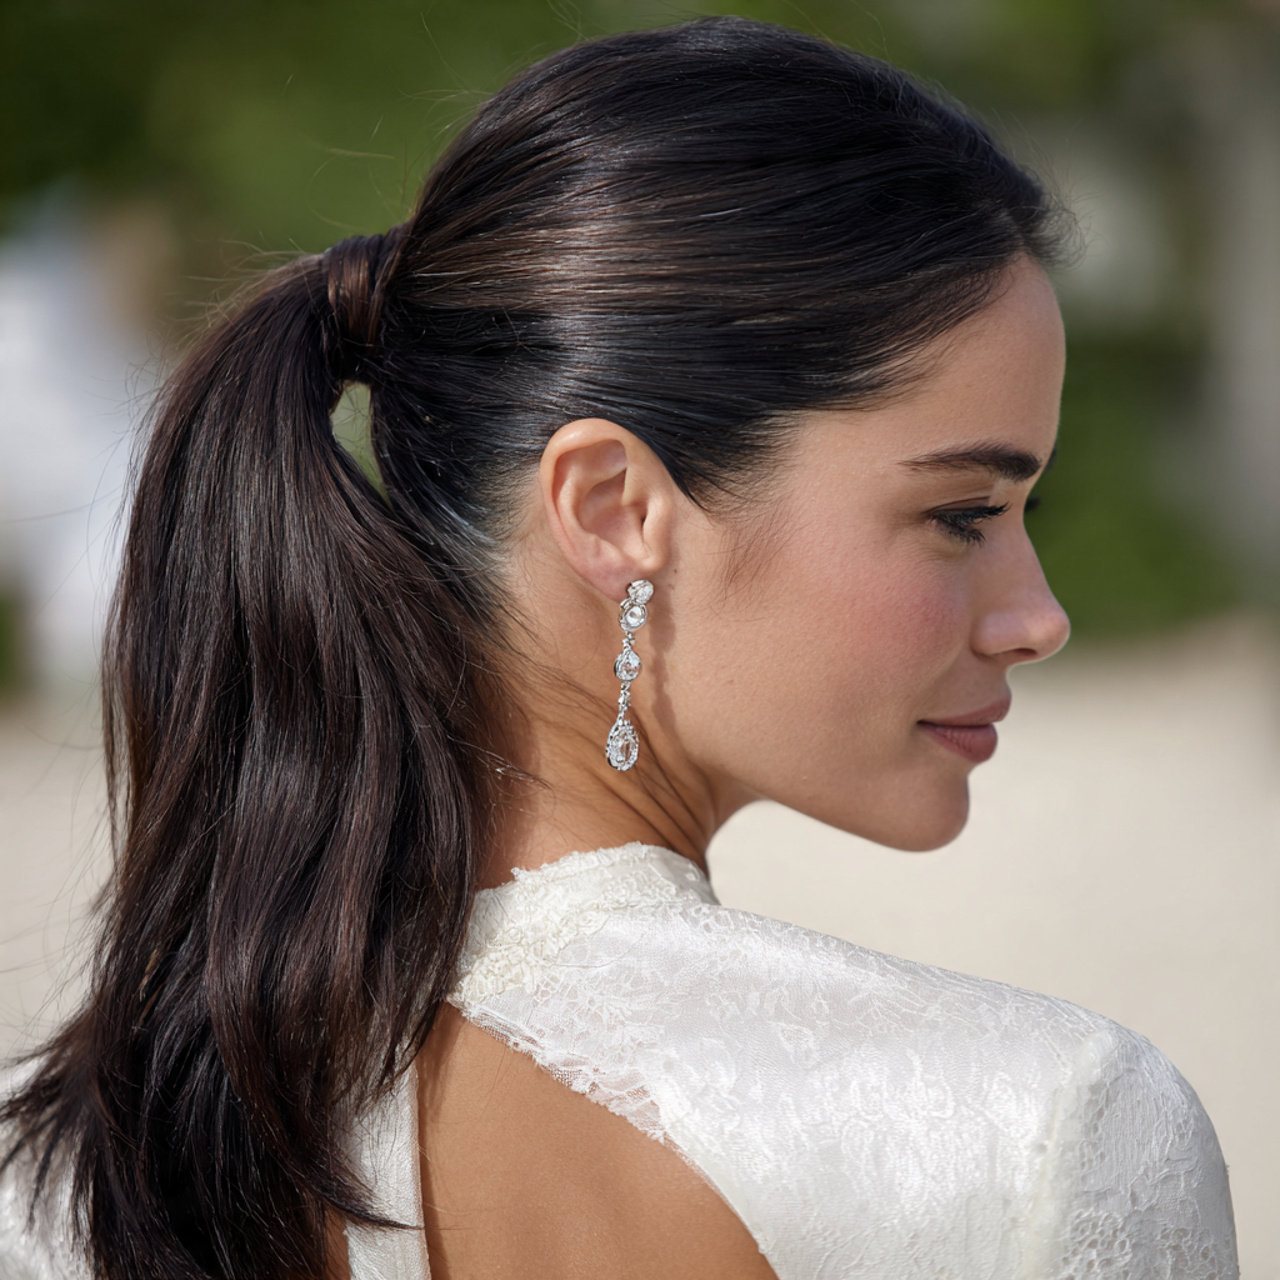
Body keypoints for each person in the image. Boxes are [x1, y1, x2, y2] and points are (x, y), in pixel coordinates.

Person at [0, 17, 1237, 1280]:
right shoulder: (1037, 1136)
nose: (1037, 615)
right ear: (612, 510)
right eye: (959, 514)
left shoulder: (71, 1181)